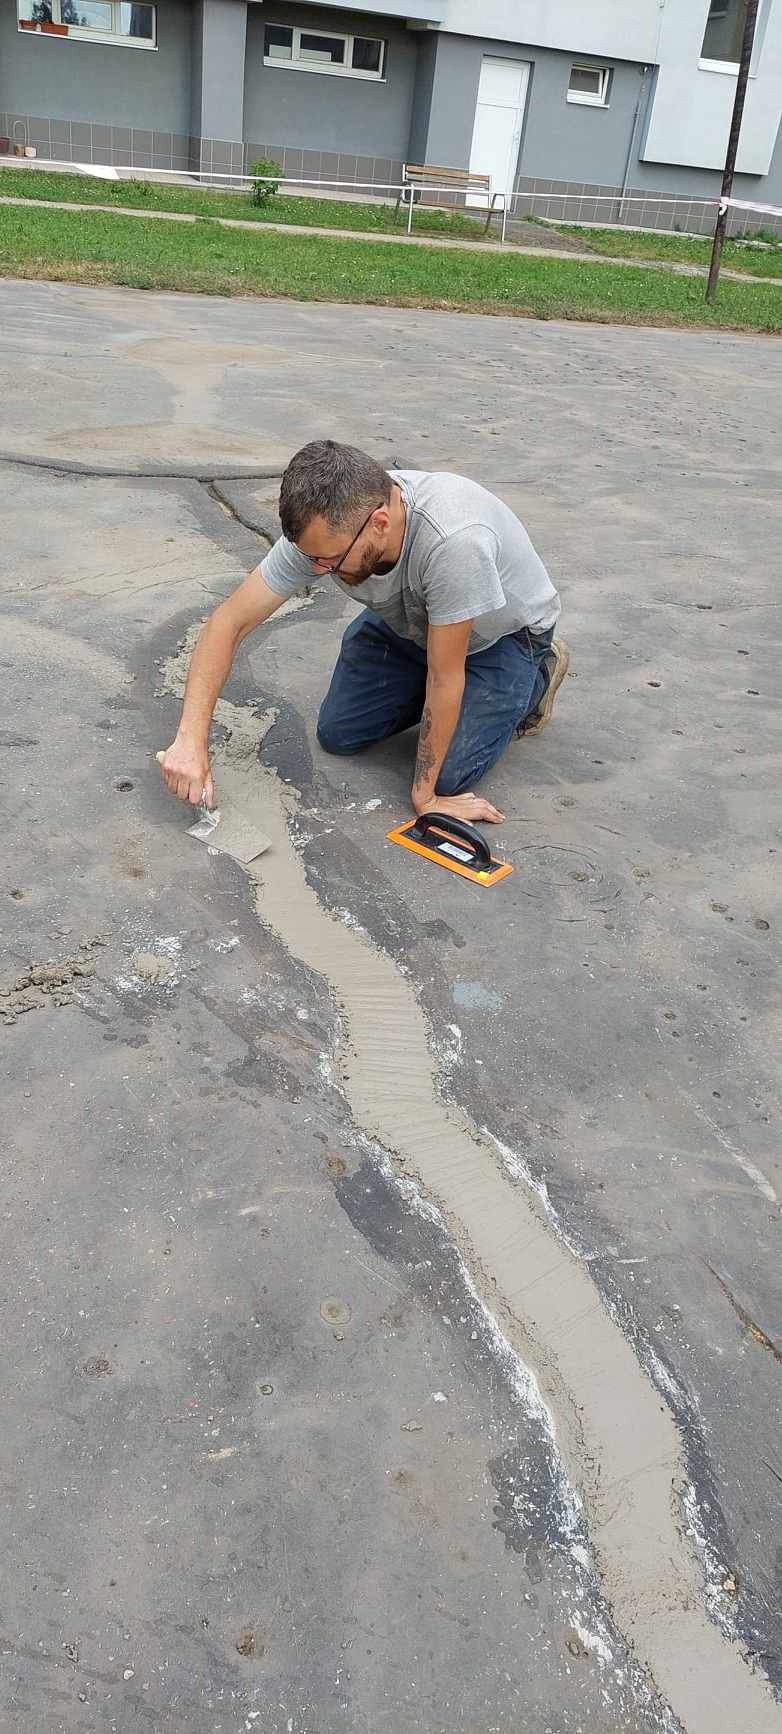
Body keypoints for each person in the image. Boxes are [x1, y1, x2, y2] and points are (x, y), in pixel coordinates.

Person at [159, 440, 568, 827]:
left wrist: (426, 798)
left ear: (380, 523)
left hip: (499, 638)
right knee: (340, 734)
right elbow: (228, 623)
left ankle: (536, 677)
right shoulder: (323, 532)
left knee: (449, 777)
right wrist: (190, 741)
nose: (318, 570)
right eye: (311, 558)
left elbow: (446, 677)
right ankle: (425, 682)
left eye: (330, 561)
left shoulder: (454, 543)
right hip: (413, 624)